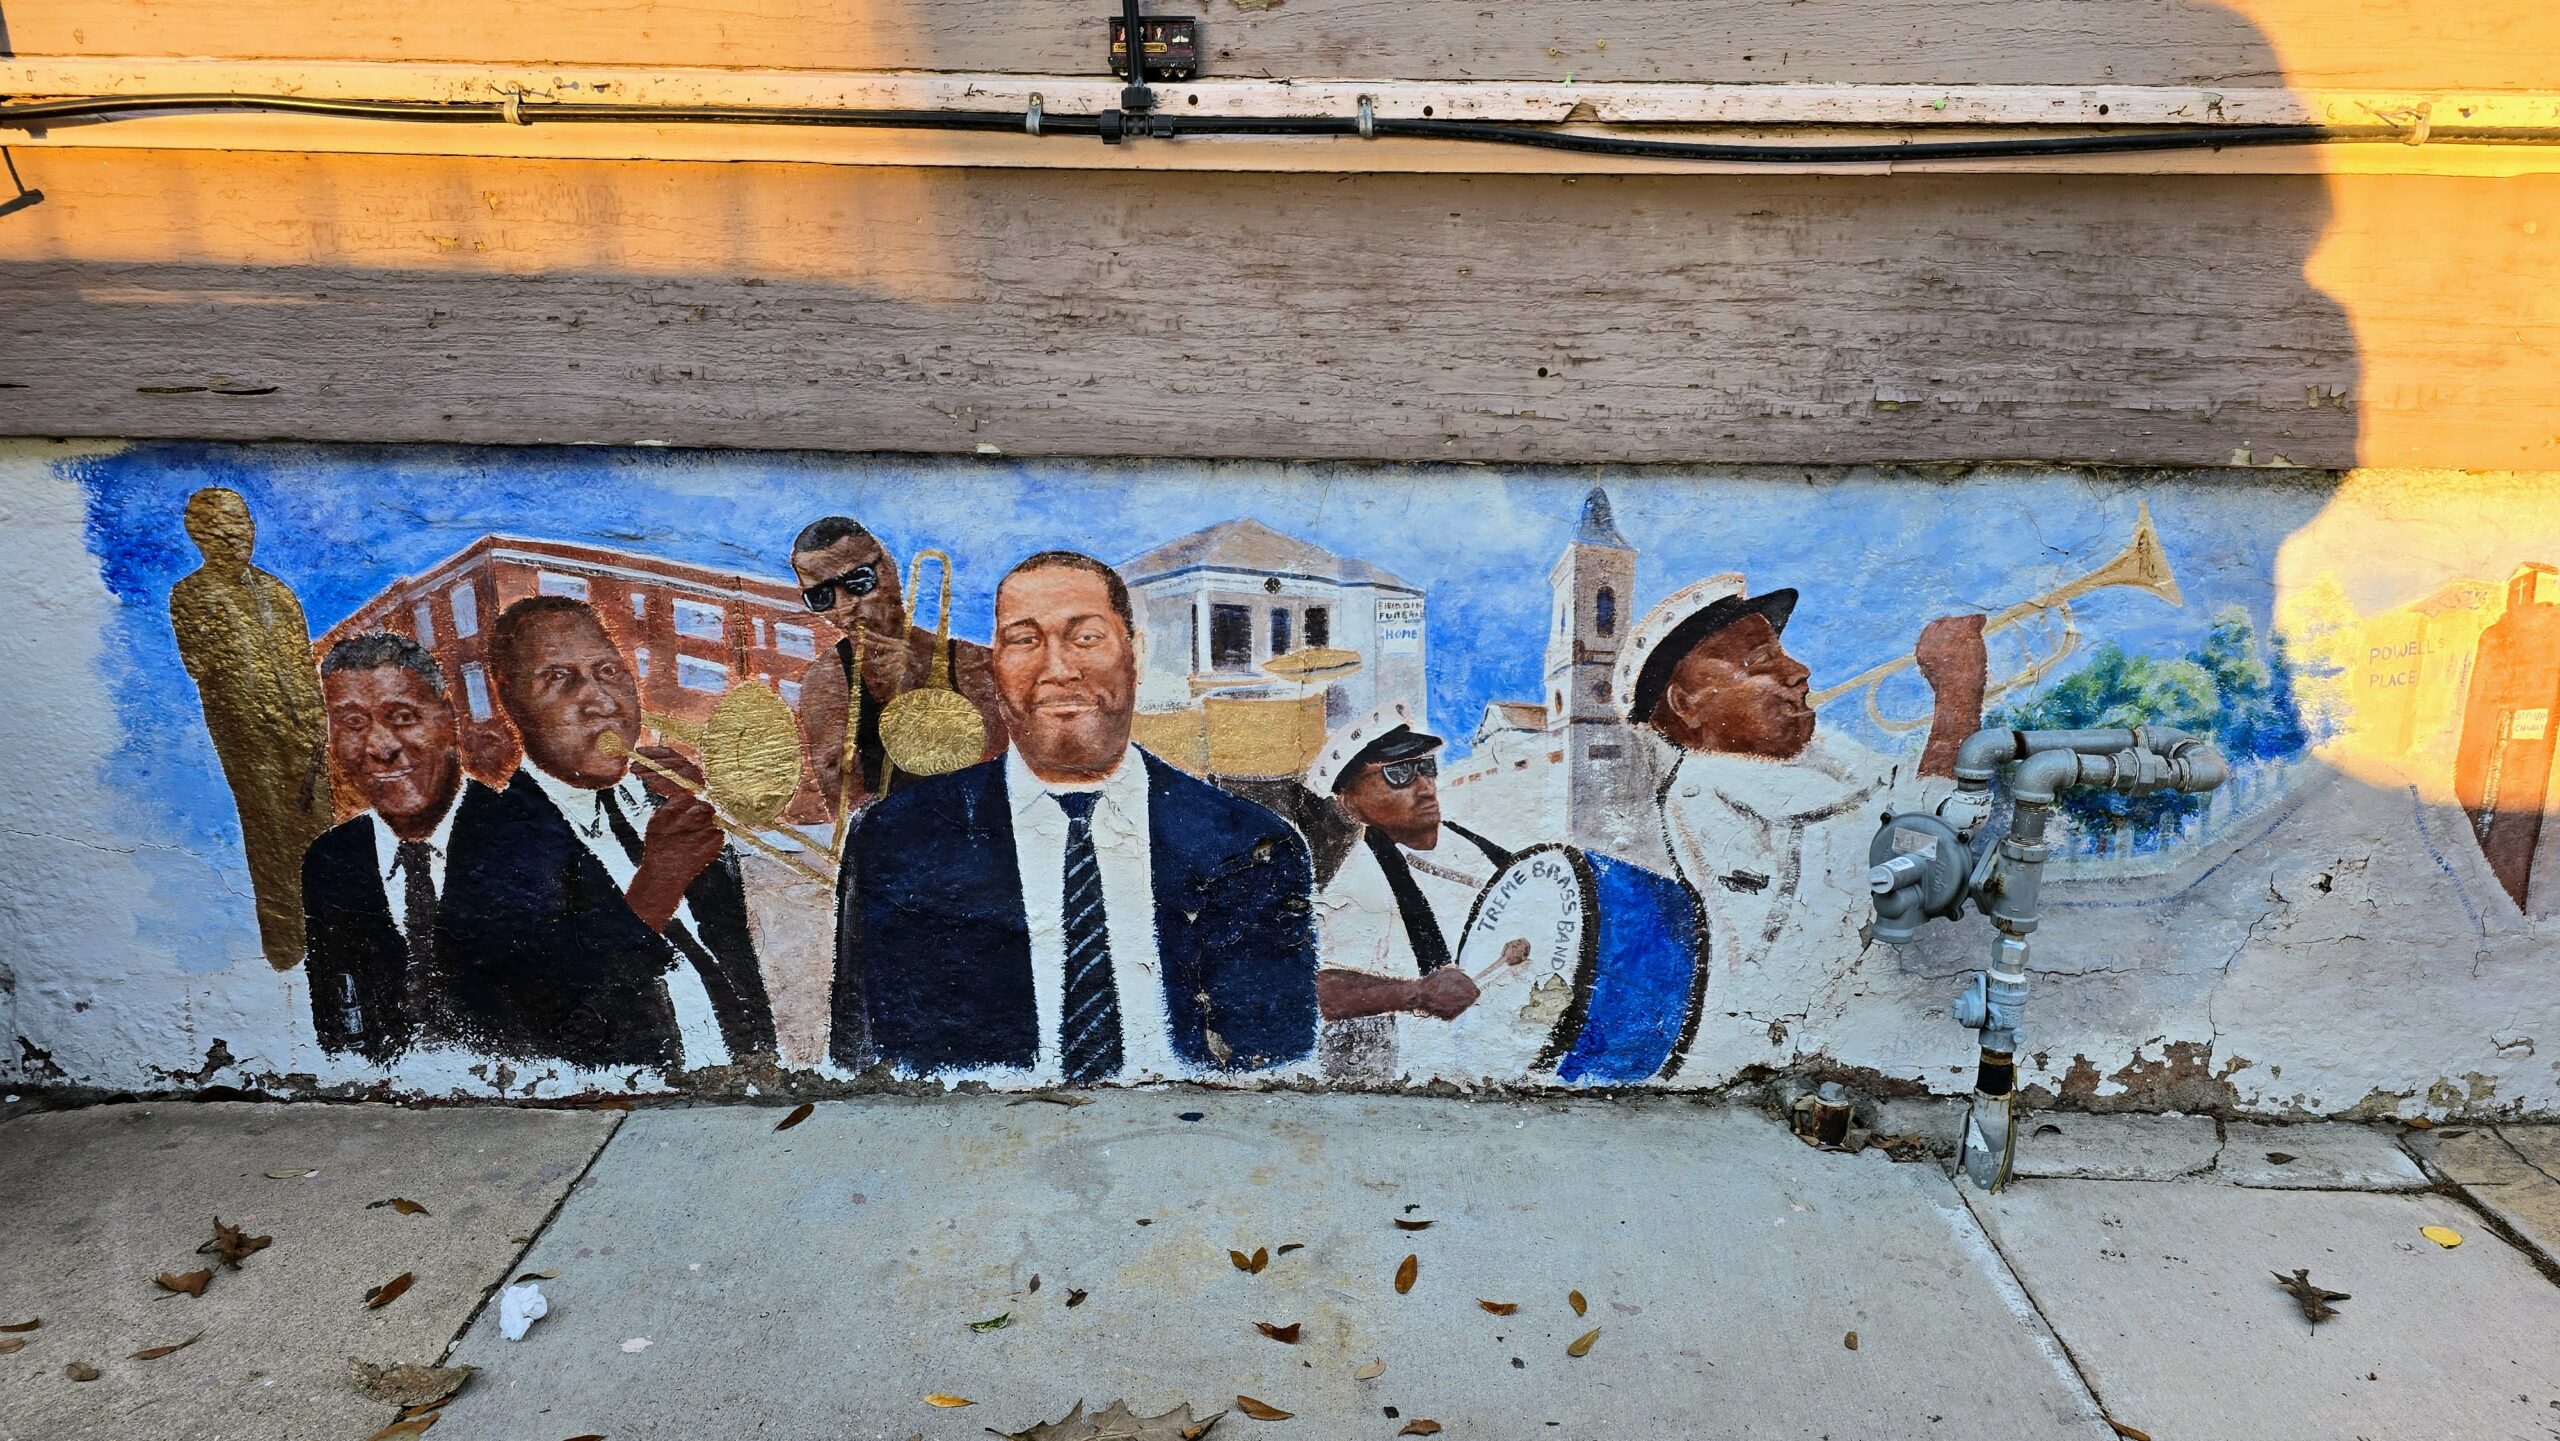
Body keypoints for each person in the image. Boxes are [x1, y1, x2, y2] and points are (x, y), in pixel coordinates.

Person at [833, 550, 1318, 1080]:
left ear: (1135, 652)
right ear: (994, 664)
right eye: (1024, 640)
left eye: (1085, 637)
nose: (1058, 669)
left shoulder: (1249, 847)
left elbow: (1274, 1073)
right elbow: (865, 1065)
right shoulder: (898, 840)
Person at [1615, 574, 1986, 1077]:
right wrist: (1957, 698)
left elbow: (1927, 803)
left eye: (1781, 653)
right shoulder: (1712, 786)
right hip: (1782, 1049)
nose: (1799, 670)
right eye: (1761, 662)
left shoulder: (1816, 758)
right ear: (1687, 703)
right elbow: (1921, 853)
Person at [435, 596, 776, 1070]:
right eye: (558, 678)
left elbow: (730, 958)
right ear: (511, 700)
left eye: (610, 672)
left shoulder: (658, 800)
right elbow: (543, 1013)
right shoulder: (495, 833)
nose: (600, 701)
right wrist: (660, 881)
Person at [301, 633, 501, 1063]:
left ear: (449, 719)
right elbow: (335, 1019)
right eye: (353, 724)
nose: (380, 747)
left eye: (404, 716)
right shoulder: (330, 859)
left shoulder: (530, 830)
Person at [168, 487, 333, 970]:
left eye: (242, 526)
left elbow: (301, 665)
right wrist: (260, 711)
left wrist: (314, 726)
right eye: (222, 529)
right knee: (271, 838)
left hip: (304, 737)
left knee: (321, 835)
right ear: (198, 536)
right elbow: (203, 665)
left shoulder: (278, 592)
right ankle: (287, 950)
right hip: (249, 738)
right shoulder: (191, 595)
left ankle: (334, 938)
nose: (235, 537)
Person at [1305, 705, 1517, 1080]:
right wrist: (1417, 993)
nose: (1424, 787)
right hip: (1437, 1071)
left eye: (1426, 767)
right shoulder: (1359, 883)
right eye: (1399, 773)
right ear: (1350, 803)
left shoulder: (1474, 846)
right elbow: (1323, 989)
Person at [787, 516, 1006, 819]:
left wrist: (916, 692)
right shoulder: (827, 681)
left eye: (858, 581)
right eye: (821, 597)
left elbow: (997, 773)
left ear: (889, 567)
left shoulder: (976, 663)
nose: (845, 606)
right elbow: (848, 808)